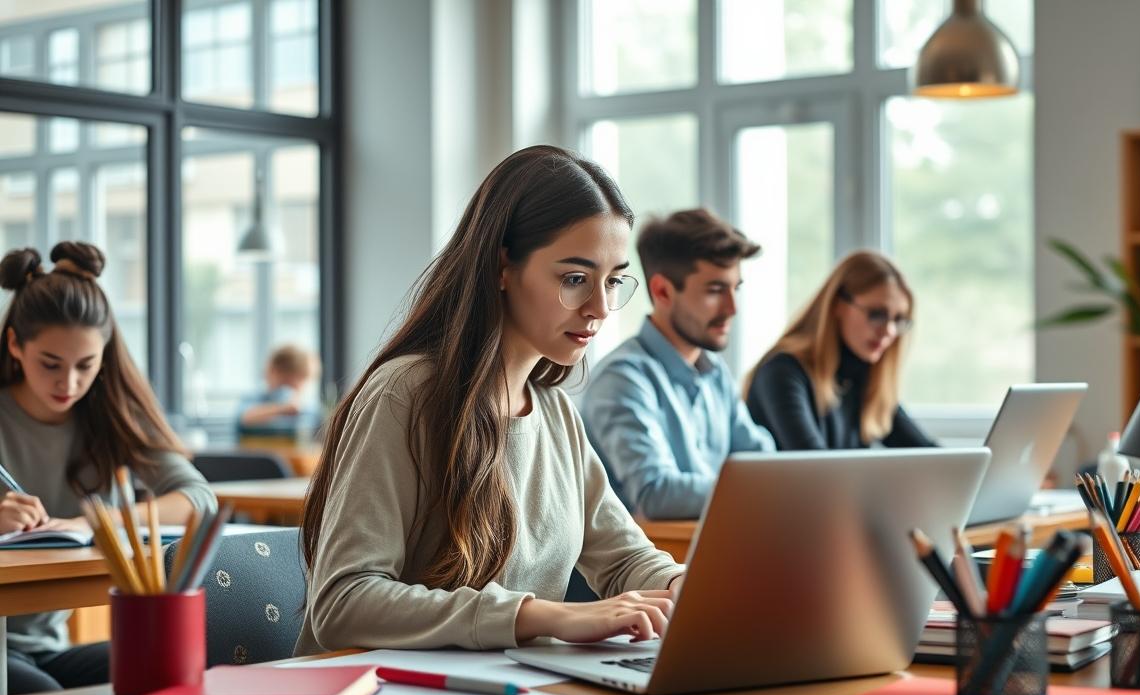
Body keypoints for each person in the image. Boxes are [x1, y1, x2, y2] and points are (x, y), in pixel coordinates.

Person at [296, 146, 685, 656]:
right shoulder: (406, 394)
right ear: (503, 266)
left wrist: (683, 588)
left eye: (613, 281)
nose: (601, 308)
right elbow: (343, 604)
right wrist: (541, 616)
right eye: (574, 279)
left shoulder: (553, 412)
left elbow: (624, 557)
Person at [0, 242, 217, 695]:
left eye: (86, 365)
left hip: (46, 645)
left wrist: (93, 523)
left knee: (179, 674)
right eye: (51, 364)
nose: (69, 384)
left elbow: (199, 500)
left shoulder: (109, 414)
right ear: (15, 345)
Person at [580, 208, 774, 521]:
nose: (732, 308)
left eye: (735, 288)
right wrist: (760, 490)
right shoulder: (622, 380)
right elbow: (656, 493)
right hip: (657, 562)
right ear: (662, 291)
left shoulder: (714, 372)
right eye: (715, 290)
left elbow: (762, 462)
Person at [745, 250, 935, 451]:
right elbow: (817, 470)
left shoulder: (866, 377)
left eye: (898, 320)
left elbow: (930, 454)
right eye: (877, 314)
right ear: (837, 305)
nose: (889, 331)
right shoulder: (782, 372)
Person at [236, 344, 320, 438]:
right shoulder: (254, 398)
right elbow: (245, 419)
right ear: (273, 371)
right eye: (285, 382)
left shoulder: (307, 408)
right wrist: (284, 408)